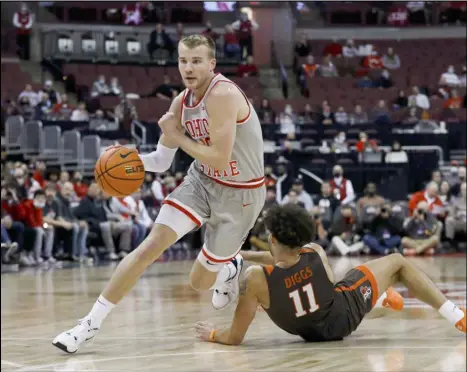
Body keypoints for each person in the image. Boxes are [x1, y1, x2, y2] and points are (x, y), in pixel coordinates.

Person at [53, 34, 266, 353]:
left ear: (212, 63)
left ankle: (229, 265)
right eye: (183, 61)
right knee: (148, 247)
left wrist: (177, 135)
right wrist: (126, 158)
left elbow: (220, 156)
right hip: (201, 183)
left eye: (196, 61)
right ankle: (88, 325)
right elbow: (162, 160)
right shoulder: (181, 103)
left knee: (199, 283)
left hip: (241, 196)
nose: (189, 68)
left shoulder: (222, 94)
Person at [194, 204, 466, 345]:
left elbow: (234, 338)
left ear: (273, 239)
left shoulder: (254, 280)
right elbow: (287, 257)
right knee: (397, 262)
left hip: (309, 334)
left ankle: (380, 298)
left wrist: (214, 333)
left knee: (323, 291)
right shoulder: (314, 252)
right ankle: (457, 315)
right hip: (344, 317)